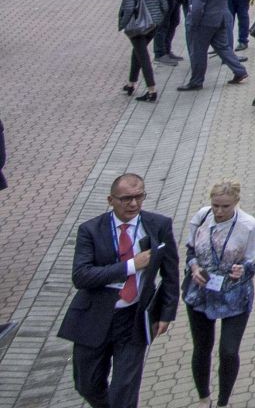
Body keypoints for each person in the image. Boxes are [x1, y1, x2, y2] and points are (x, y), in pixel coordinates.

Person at [59, 172, 178, 408]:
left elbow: (171, 273)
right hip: (94, 317)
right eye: (126, 198)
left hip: (133, 318)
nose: (133, 204)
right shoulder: (90, 230)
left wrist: (166, 313)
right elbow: (81, 276)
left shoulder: (159, 225)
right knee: (87, 384)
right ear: (110, 200)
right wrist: (131, 265)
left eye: (139, 196)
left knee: (124, 391)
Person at [182, 179, 255, 408]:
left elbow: (252, 263)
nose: (219, 211)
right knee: (202, 347)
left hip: (233, 294)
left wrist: (241, 270)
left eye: (225, 206)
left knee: (228, 351)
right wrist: (194, 268)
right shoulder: (202, 217)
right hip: (202, 291)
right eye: (215, 205)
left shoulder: (249, 226)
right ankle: (204, 398)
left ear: (236, 202)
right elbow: (190, 251)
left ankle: (223, 402)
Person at [181, 0, 248, 92]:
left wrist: (193, 23)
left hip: (205, 23)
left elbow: (198, 7)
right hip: (221, 18)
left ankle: (196, 81)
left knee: (198, 52)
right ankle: (240, 71)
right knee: (223, 47)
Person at [117, 0, 166, 103]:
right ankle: (131, 84)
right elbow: (164, 5)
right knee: (137, 53)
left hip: (137, 28)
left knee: (143, 57)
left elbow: (128, 9)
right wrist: (158, 19)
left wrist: (122, 24)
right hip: (152, 27)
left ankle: (152, 90)